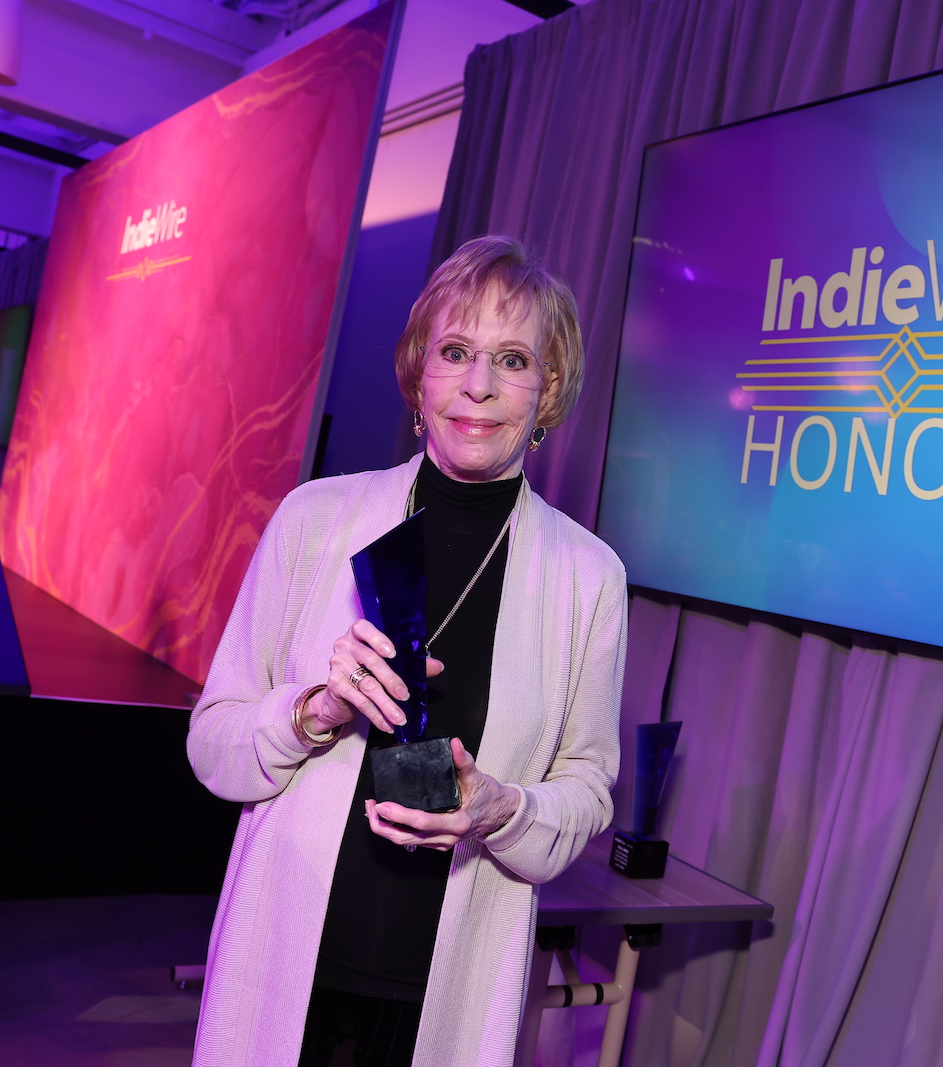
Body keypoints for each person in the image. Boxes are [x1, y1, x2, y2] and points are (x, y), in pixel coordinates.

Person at [187, 235, 626, 1067]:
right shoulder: (314, 519)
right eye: (455, 352)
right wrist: (315, 711)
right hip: (292, 956)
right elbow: (214, 748)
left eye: (513, 359)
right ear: (419, 372)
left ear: (550, 388)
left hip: (448, 985)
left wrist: (504, 806)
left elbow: (587, 791)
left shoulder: (589, 576)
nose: (479, 385)